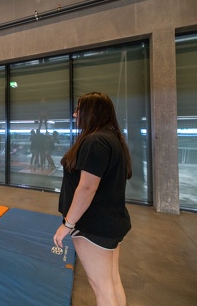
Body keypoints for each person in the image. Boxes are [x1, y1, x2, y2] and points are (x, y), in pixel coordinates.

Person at [53, 92, 132, 306]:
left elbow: (87, 188)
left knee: (102, 287)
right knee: (112, 282)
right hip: (110, 221)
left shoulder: (95, 141)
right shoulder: (112, 138)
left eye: (79, 110)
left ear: (91, 112)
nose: (75, 114)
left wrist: (68, 224)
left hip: (93, 226)